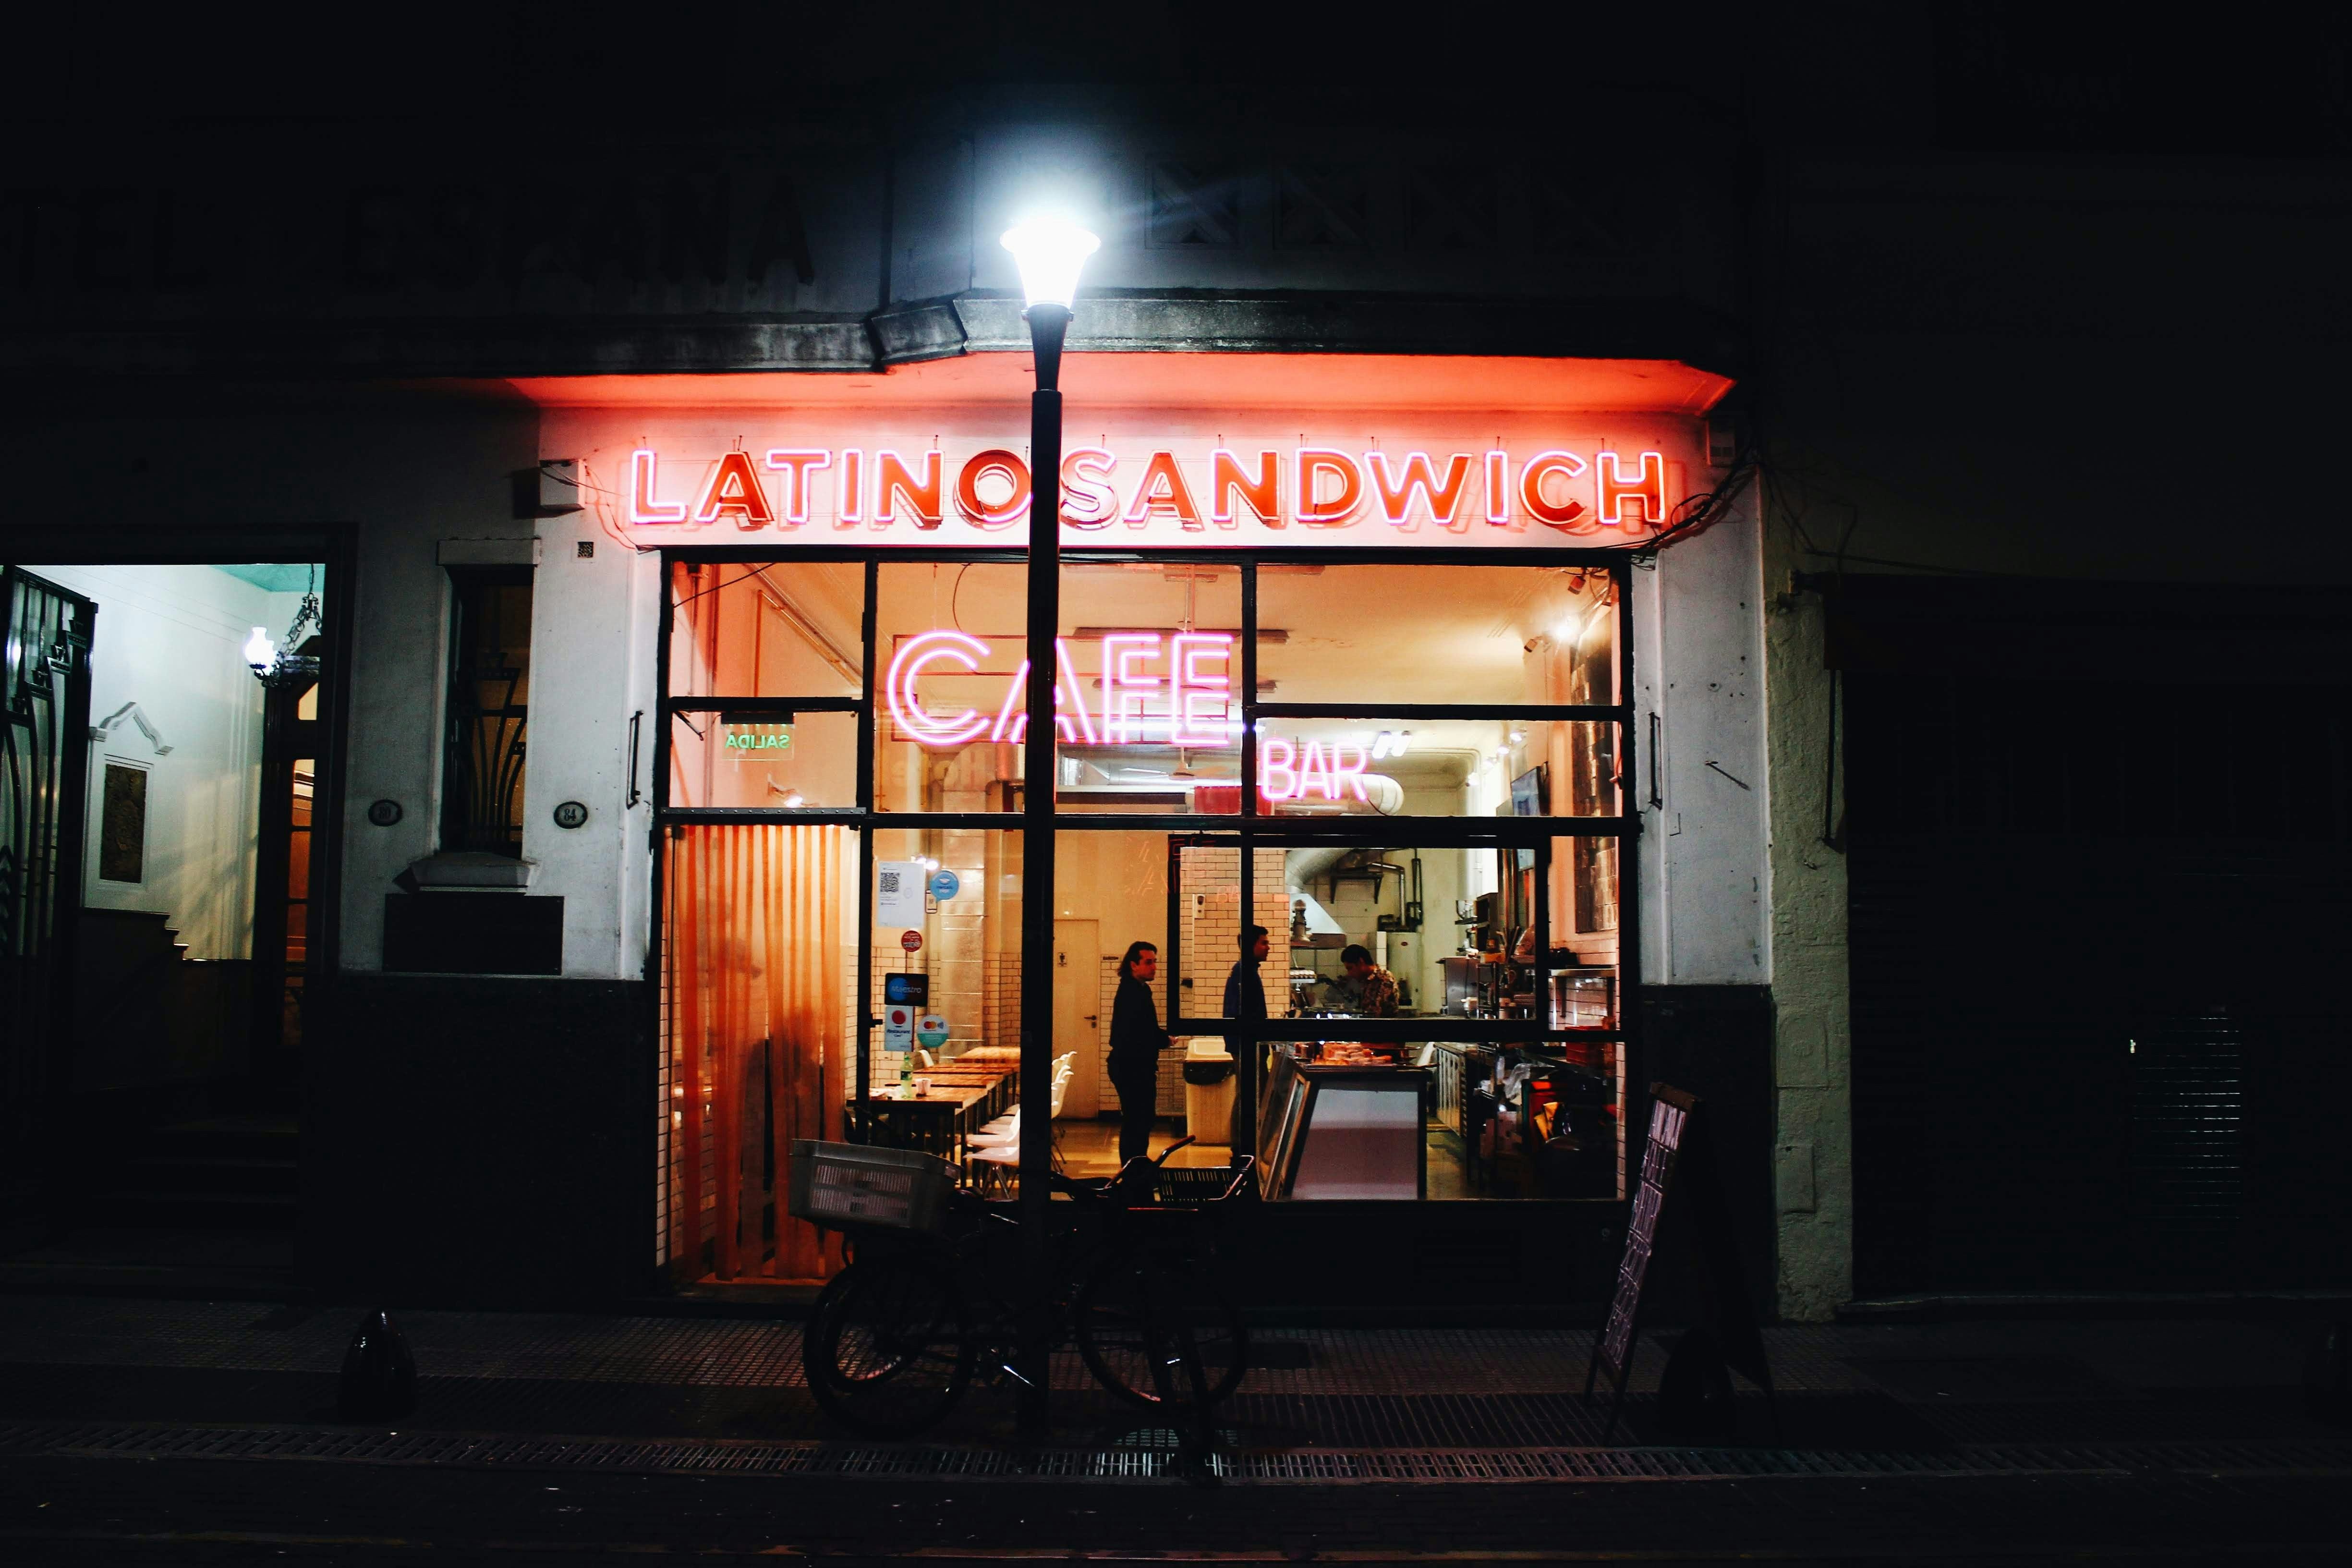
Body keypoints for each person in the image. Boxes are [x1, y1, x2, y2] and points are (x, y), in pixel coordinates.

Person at [1106, 940, 1171, 1165]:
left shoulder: (1138, 989)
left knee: (1139, 1120)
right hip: (1131, 1066)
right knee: (1138, 1121)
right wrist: (1165, 1039)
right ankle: (1133, 1170)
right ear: (1134, 965)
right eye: (1149, 962)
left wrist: (1161, 1037)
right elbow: (1142, 1031)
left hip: (1132, 1064)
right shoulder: (1133, 993)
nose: (1154, 967)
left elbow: (1144, 1029)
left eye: (1155, 962)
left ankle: (1136, 1167)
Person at [1221, 925, 1270, 1152]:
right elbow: (1241, 1013)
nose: (1268, 947)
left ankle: (1244, 1145)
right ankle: (1241, 1147)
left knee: (1249, 1093)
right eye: (1263, 943)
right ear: (1251, 946)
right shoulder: (1245, 973)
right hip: (1245, 1045)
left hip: (1245, 1044)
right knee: (1248, 1094)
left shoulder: (1246, 971)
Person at [1338, 943, 1401, 1017]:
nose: (1349, 974)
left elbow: (1374, 1014)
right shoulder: (1367, 980)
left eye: (1350, 968)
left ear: (1361, 962)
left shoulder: (1383, 979)